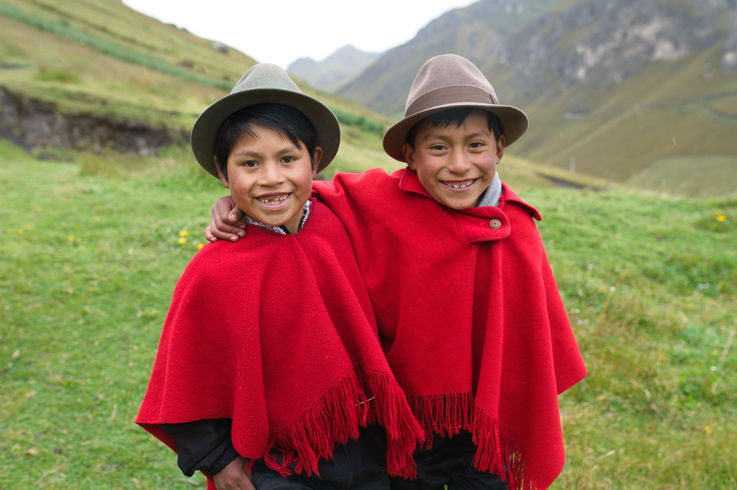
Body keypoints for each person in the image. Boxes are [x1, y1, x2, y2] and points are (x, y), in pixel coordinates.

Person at [207, 54, 587, 490]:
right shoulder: (381, 202)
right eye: (438, 147)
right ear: (410, 154)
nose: (459, 164)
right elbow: (300, 192)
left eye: (477, 146)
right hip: (406, 433)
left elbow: (534, 340)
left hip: (491, 431)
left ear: (499, 148)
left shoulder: (517, 228)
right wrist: (237, 205)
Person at [136, 63, 423, 490]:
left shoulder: (343, 225)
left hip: (372, 453)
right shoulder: (215, 269)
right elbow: (186, 378)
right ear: (222, 171)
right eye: (249, 163)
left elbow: (418, 194)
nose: (271, 178)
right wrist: (218, 461)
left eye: (288, 159)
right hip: (278, 467)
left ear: (316, 161)